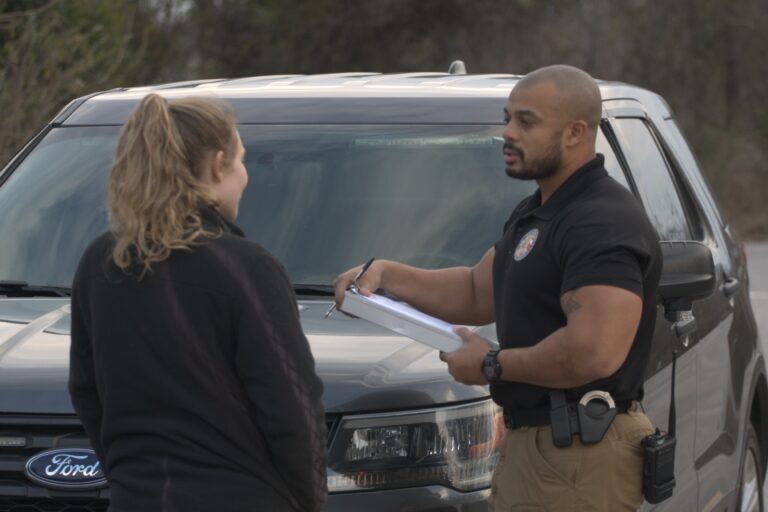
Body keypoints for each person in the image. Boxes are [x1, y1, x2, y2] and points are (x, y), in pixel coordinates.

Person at [333, 65, 662, 511]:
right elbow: (475, 291)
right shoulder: (539, 212)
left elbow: (594, 351)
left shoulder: (600, 221)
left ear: (575, 133)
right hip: (546, 450)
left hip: (583, 454)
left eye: (526, 121)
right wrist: (387, 275)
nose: (507, 132)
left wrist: (490, 364)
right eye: (508, 117)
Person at [68, 93, 327, 512]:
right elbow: (293, 409)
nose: (245, 176)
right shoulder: (247, 268)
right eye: (241, 161)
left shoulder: (101, 263)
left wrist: (128, 477)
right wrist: (309, 503)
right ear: (215, 165)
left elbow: (86, 391)